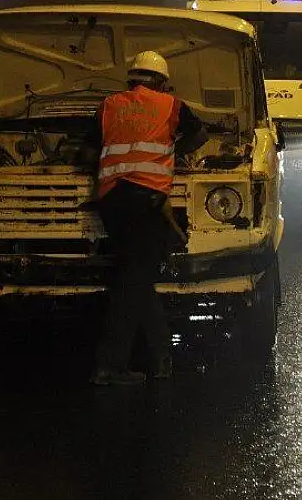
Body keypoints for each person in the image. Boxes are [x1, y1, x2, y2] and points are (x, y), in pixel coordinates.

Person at [88, 51, 209, 386]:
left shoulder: (109, 105)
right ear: (161, 81)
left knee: (135, 278)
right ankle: (109, 367)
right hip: (147, 202)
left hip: (112, 201)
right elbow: (201, 136)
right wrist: (172, 149)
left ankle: (161, 359)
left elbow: (87, 150)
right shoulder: (171, 105)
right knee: (134, 282)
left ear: (132, 78)